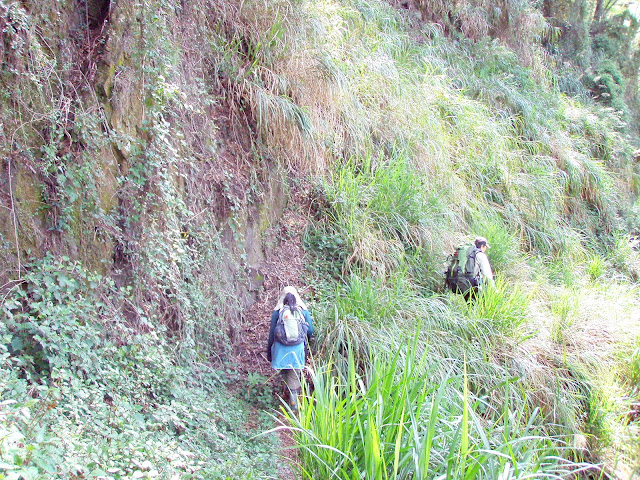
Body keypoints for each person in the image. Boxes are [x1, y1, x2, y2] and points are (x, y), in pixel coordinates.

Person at [267, 286, 314, 412]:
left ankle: (286, 394)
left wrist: (269, 352)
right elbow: (310, 330)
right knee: (294, 375)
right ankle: (293, 404)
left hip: (280, 350)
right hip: (297, 349)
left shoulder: (277, 312)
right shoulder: (303, 311)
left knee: (285, 372)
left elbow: (272, 333)